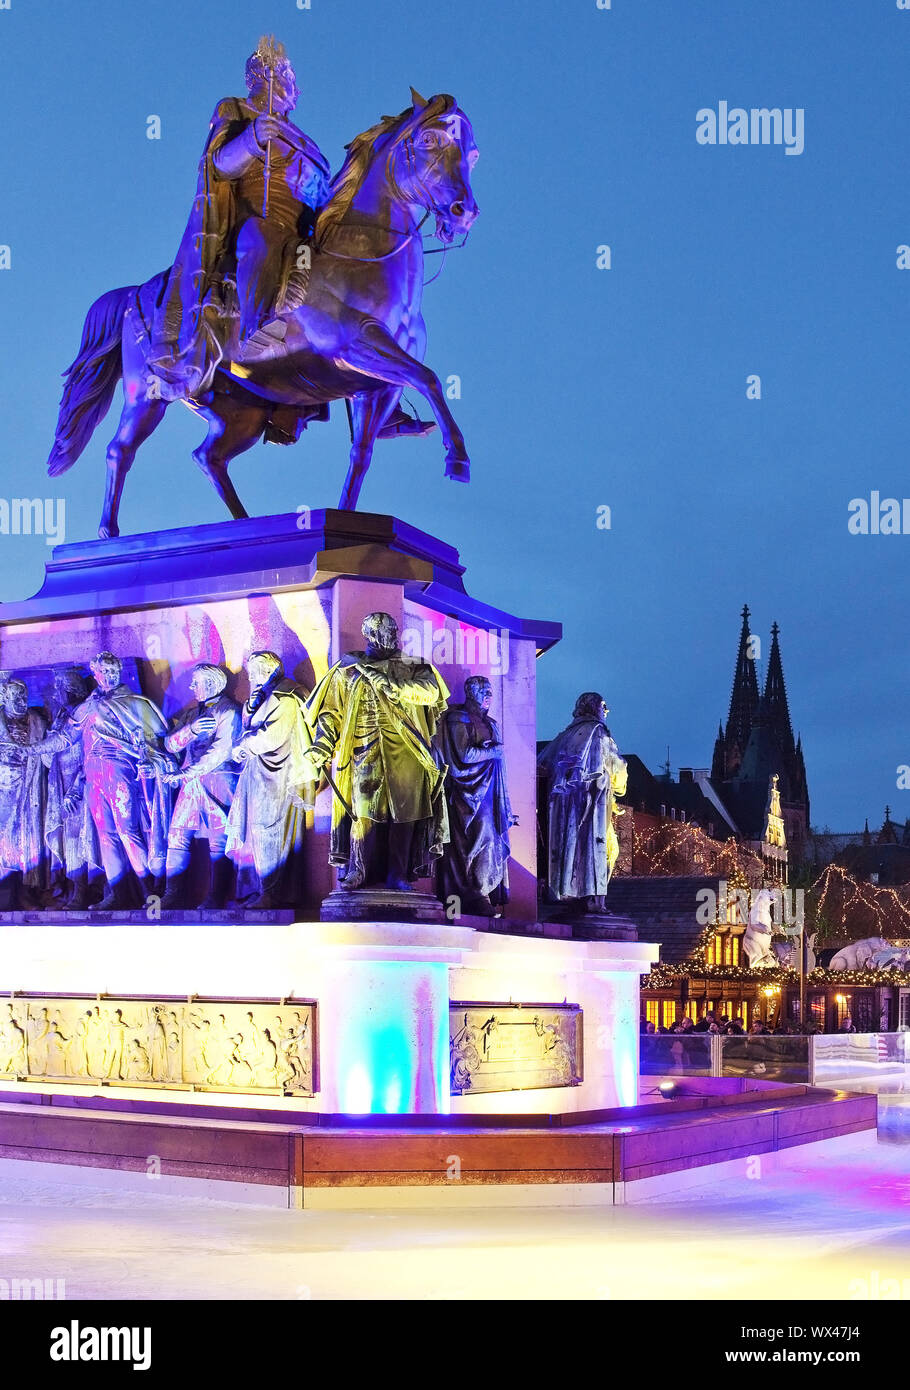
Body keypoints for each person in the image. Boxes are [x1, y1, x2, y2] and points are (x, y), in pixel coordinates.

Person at [302, 613, 449, 892]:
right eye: (384, 632)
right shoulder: (347, 668)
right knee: (363, 810)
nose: (391, 637)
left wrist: (394, 687)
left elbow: (431, 692)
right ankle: (359, 870)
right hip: (363, 747)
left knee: (405, 812)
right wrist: (322, 744)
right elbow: (330, 712)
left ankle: (398, 873)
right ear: (369, 635)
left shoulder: (412, 665)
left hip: (407, 746)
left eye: (393, 631)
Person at [27, 653, 174, 909]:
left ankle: (150, 892)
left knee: (128, 831)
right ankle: (119, 893)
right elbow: (64, 738)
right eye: (104, 672)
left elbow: (155, 742)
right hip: (94, 775)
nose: (109, 676)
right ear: (95, 674)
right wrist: (31, 749)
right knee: (106, 835)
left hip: (120, 771)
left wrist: (150, 759)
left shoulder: (135, 703)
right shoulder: (88, 706)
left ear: (119, 672)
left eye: (113, 671)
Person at [226, 652, 314, 909]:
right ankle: (262, 888)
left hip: (277, 776)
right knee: (258, 831)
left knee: (269, 829)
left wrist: (245, 744)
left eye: (255, 671)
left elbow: (273, 735)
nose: (251, 677)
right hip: (259, 774)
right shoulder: (263, 698)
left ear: (271, 671)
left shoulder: (286, 696)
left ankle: (272, 892)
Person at [537, 692, 627, 913]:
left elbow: (542, 766)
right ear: (594, 708)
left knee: (574, 848)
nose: (606, 711)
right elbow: (617, 772)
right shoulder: (598, 732)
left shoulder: (563, 737)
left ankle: (572, 893)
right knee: (606, 849)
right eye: (603, 706)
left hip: (564, 809)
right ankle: (592, 897)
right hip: (593, 805)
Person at [161, 664, 242, 909]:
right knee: (177, 834)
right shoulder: (190, 715)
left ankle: (216, 896)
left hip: (219, 780)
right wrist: (191, 730)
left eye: (196, 682)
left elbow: (221, 751)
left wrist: (186, 773)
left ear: (212, 683)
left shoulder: (229, 711)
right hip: (190, 783)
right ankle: (173, 894)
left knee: (219, 838)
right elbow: (170, 744)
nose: (191, 687)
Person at [433, 675, 515, 916]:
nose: (488, 695)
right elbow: (464, 755)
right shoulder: (458, 718)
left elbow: (502, 768)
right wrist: (494, 751)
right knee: (470, 842)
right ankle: (463, 899)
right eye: (483, 691)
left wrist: (506, 806)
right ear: (470, 693)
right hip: (464, 793)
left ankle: (480, 894)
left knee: (489, 840)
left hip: (489, 792)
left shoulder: (492, 723)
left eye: (490, 690)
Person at [0, 678, 48, 908]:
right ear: (5, 698)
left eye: (23, 697)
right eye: (15, 697)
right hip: (2, 788)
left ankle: (24, 890)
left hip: (27, 786)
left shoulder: (36, 721)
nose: (20, 702)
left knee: (25, 837)